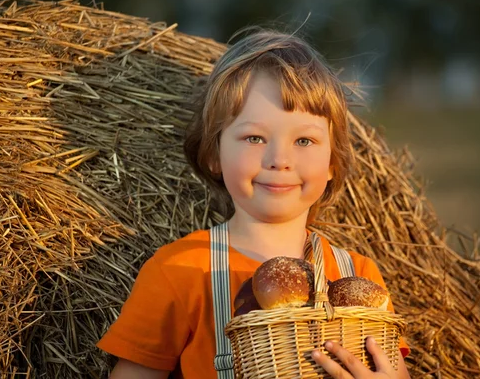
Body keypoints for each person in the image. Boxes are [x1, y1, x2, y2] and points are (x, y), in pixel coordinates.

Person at [97, 28, 411, 379]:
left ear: (332, 163)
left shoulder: (357, 277)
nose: (279, 159)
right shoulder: (178, 271)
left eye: (304, 140)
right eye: (254, 137)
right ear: (214, 153)